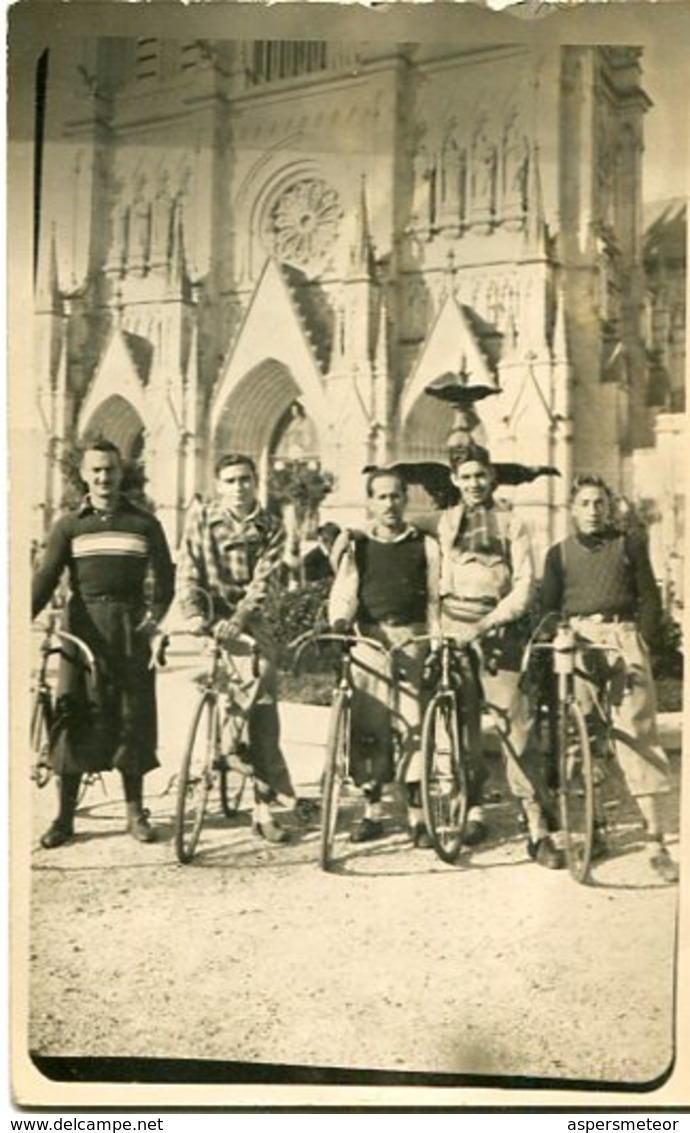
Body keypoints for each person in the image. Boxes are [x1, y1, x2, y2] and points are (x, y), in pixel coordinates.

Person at [31, 439, 175, 848]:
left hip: (130, 629)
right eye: (95, 470)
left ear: (120, 471)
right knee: (72, 716)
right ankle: (64, 817)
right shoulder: (69, 525)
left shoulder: (144, 523)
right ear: (83, 474)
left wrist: (152, 622)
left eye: (110, 469)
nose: (103, 477)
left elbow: (165, 582)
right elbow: (45, 578)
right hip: (82, 630)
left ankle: (135, 812)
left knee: (133, 718)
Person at [540, 473, 679, 884]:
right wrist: (557, 632)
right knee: (579, 736)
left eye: (599, 503)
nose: (593, 511)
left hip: (622, 639)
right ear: (572, 510)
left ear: (609, 506)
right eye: (584, 503)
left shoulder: (628, 545)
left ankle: (655, 841)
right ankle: (593, 830)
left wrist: (645, 643)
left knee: (637, 734)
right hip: (578, 641)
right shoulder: (558, 555)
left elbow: (649, 598)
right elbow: (548, 609)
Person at [435, 442, 563, 869]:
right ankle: (471, 809)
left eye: (480, 475)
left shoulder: (512, 522)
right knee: (460, 724)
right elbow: (437, 582)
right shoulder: (447, 523)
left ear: (492, 477)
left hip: (499, 631)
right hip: (455, 633)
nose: (474, 483)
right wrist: (443, 631)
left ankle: (536, 826)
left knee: (517, 727)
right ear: (455, 480)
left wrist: (488, 623)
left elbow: (525, 584)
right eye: (466, 476)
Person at [175, 453, 296, 843]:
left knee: (261, 703)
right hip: (211, 615)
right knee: (218, 689)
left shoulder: (271, 526)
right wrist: (193, 613)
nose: (238, 487)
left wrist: (240, 619)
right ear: (218, 485)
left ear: (255, 481)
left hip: (252, 621)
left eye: (245, 479)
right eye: (230, 481)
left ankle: (262, 808)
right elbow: (188, 569)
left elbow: (265, 581)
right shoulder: (201, 519)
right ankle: (225, 745)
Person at [329, 470, 440, 847]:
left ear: (405, 500)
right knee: (368, 727)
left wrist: (434, 641)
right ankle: (371, 813)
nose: (389, 504)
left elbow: (434, 598)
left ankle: (418, 818)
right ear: (370, 502)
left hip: (411, 638)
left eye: (395, 496)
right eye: (381, 497)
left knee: (412, 725)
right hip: (370, 640)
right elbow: (345, 589)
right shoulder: (358, 545)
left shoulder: (424, 544)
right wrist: (341, 623)